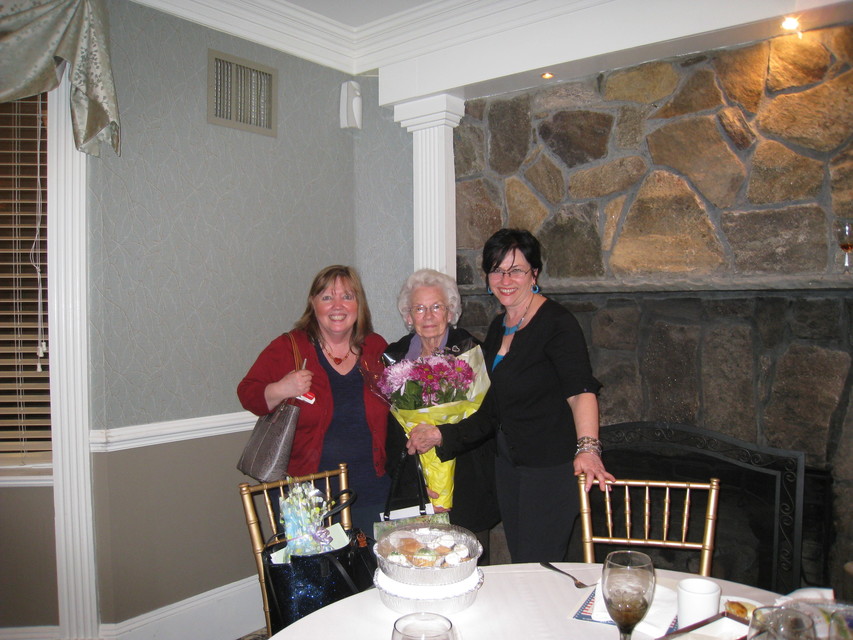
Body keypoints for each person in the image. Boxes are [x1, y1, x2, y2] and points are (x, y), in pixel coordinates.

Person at [407, 229, 614, 563]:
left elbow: (580, 391)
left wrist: (588, 449)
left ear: (534, 274)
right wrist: (441, 435)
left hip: (548, 468)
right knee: (522, 561)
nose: (505, 280)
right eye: (497, 270)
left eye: (516, 270)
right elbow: (491, 408)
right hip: (509, 467)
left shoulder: (557, 324)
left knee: (539, 567)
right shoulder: (498, 327)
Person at [237, 265, 389, 534]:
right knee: (318, 562)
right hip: (308, 494)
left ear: (359, 304)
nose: (338, 306)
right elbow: (247, 393)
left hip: (372, 488)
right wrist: (281, 388)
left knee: (373, 559)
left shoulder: (375, 346)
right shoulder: (289, 347)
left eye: (347, 296)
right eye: (327, 297)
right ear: (313, 304)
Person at [383, 269, 501, 562]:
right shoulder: (393, 357)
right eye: (419, 308)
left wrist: (441, 435)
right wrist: (415, 484)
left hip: (467, 486)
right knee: (422, 563)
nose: (428, 316)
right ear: (408, 315)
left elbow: (489, 418)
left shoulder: (472, 352)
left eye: (436, 307)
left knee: (466, 564)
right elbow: (392, 433)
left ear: (450, 311)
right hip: (418, 491)